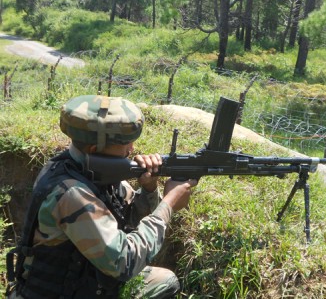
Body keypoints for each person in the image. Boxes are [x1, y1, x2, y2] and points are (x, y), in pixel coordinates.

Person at [6, 95, 198, 298]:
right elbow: (125, 262)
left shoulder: (84, 171)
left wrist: (149, 189)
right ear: (95, 149)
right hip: (59, 292)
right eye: (125, 144)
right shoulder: (72, 193)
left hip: (81, 281)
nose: (131, 149)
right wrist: (168, 204)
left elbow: (128, 221)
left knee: (163, 281)